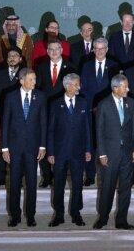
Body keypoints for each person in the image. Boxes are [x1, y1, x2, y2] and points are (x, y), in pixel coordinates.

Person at [1, 68, 47, 227]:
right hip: (14, 148)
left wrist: (42, 145)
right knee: (14, 183)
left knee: (32, 182)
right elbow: (5, 122)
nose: (34, 82)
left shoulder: (40, 97)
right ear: (21, 80)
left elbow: (43, 123)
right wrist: (4, 148)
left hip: (33, 148)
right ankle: (15, 215)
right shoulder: (10, 97)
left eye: (35, 79)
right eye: (31, 79)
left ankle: (31, 215)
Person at [94, 75, 134, 229]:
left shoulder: (131, 103)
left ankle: (122, 220)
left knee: (126, 188)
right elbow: (99, 131)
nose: (128, 89)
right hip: (110, 154)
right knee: (107, 187)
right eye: (125, 87)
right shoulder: (103, 104)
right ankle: (103, 218)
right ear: (115, 88)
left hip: (127, 153)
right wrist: (102, 153)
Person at [47, 73, 92, 227]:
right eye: (76, 84)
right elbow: (51, 130)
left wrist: (88, 149)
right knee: (58, 183)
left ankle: (76, 212)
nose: (79, 87)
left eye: (79, 84)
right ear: (68, 85)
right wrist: (51, 152)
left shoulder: (83, 102)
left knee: (78, 184)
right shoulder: (55, 103)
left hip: (78, 152)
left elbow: (87, 128)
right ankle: (58, 214)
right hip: (59, 152)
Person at [36, 40, 76, 188]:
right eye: (50, 49)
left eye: (56, 49)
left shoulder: (70, 66)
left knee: (60, 142)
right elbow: (38, 89)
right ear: (47, 51)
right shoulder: (40, 66)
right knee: (44, 141)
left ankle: (60, 174)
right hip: (45, 111)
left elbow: (73, 89)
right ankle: (47, 176)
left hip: (63, 111)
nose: (54, 52)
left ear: (61, 50)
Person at [81, 38, 118, 187]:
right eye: (97, 48)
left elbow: (116, 89)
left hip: (108, 112)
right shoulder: (86, 66)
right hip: (90, 111)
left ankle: (107, 174)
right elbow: (82, 90)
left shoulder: (114, 66)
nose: (100, 51)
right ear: (93, 50)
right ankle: (90, 175)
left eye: (102, 48)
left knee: (107, 143)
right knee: (90, 143)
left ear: (107, 49)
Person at [108, 4, 134, 71]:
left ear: (133, 22)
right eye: (125, 21)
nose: (127, 24)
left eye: (130, 21)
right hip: (117, 72)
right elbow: (111, 57)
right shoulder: (114, 37)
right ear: (121, 22)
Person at [0, 49, 24, 113]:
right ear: (7, 60)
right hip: (1, 111)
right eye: (10, 56)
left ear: (20, 59)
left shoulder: (25, 74)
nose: (12, 57)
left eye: (15, 55)